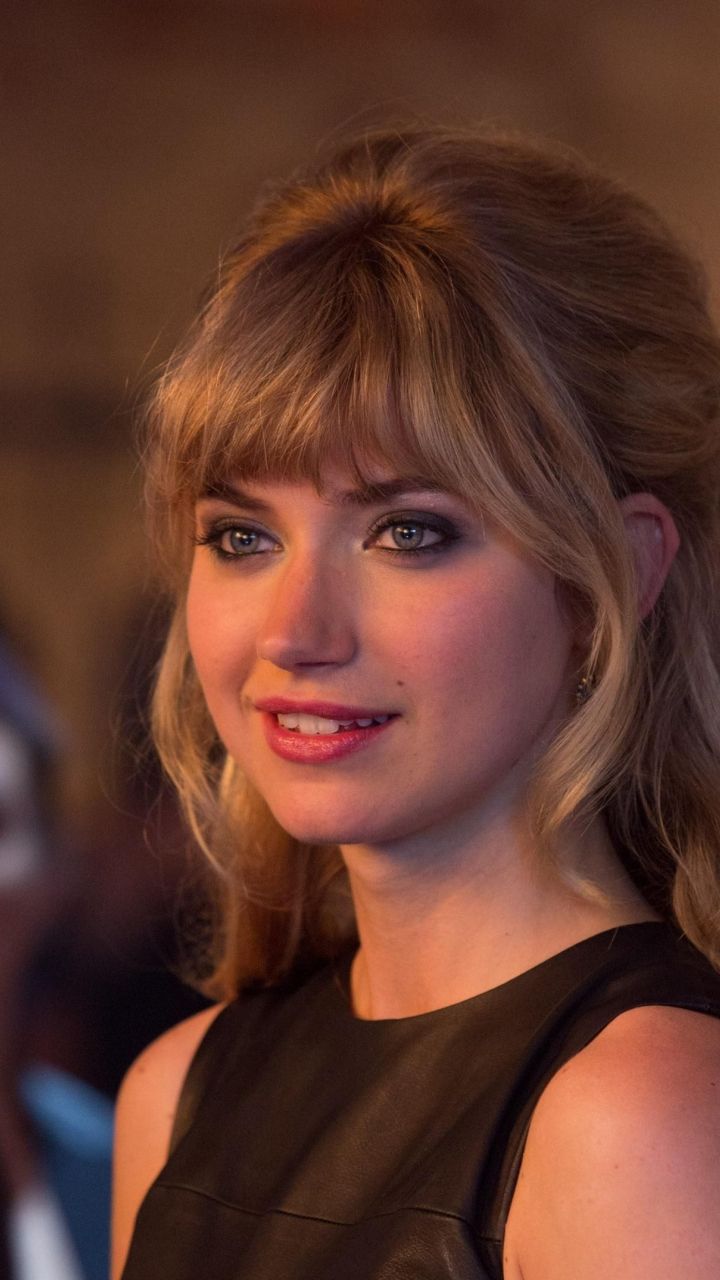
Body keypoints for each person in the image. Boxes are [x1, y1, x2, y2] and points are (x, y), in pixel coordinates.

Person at [112, 125, 720, 1279]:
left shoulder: (641, 1117)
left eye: (407, 532)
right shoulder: (175, 1092)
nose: (295, 630)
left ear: (614, 577)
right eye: (242, 535)